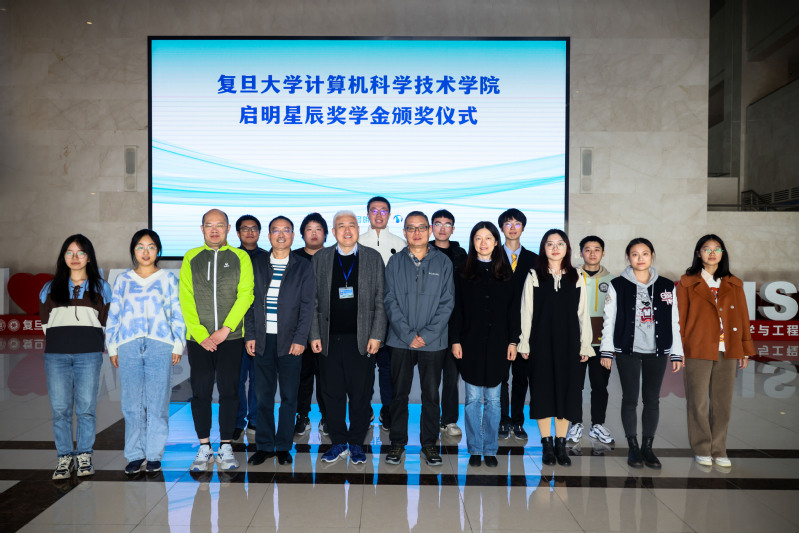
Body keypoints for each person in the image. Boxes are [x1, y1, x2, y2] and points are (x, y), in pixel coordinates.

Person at [309, 211, 387, 464]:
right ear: (333, 232)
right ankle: (338, 442)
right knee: (331, 394)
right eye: (341, 226)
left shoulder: (372, 258)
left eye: (351, 225)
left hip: (362, 340)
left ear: (358, 229)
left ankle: (356, 443)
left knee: (360, 394)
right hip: (328, 339)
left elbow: (381, 300)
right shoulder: (321, 258)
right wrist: (314, 334)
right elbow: (312, 301)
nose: (346, 230)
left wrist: (376, 335)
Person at [180, 209, 254, 472]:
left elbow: (246, 294)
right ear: (202, 229)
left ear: (228, 228)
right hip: (199, 340)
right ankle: (204, 447)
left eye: (219, 225)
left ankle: (225, 445)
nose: (214, 229)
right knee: (200, 391)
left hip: (230, 338)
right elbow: (185, 297)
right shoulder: (191, 257)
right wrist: (201, 334)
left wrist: (226, 329)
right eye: (209, 225)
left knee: (229, 391)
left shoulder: (240, 257)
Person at [105, 229, 185, 474]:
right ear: (133, 251)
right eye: (140, 247)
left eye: (151, 247)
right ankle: (134, 454)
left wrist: (178, 344)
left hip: (160, 344)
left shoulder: (168, 279)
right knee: (131, 403)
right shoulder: (123, 280)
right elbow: (114, 314)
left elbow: (177, 312)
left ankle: (153, 454)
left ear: (158, 251)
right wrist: (112, 346)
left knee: (158, 402)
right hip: (128, 344)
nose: (146, 251)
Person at [600, 238, 683, 469]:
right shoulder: (618, 284)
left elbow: (674, 321)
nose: (640, 258)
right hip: (627, 350)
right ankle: (633, 446)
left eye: (645, 253)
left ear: (652, 256)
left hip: (657, 351)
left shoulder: (666, 285)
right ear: (628, 257)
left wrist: (677, 352)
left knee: (652, 399)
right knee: (630, 398)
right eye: (635, 254)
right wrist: (606, 351)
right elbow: (609, 319)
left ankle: (648, 447)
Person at [384, 211, 454, 466]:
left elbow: (447, 303)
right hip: (400, 340)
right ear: (404, 232)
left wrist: (426, 335)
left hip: (433, 342)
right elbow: (389, 300)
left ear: (429, 231)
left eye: (421, 227)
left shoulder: (443, 262)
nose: (416, 233)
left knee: (431, 396)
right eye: (411, 228)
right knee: (399, 395)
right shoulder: (395, 262)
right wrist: (407, 334)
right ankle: (397, 443)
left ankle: (429, 444)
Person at [518, 229, 594, 467]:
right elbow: (526, 311)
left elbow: (583, 313)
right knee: (542, 392)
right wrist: (524, 341)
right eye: (550, 244)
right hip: (540, 343)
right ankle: (547, 445)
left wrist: (585, 344)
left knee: (566, 392)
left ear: (567, 248)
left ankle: (561, 445)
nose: (555, 248)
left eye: (560, 243)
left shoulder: (577, 275)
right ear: (544, 248)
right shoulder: (534, 275)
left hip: (569, 343)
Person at [677, 234, 754, 468]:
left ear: (723, 253)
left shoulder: (734, 283)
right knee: (697, 402)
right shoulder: (687, 283)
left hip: (727, 349)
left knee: (722, 403)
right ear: (698, 253)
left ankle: (719, 448)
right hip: (697, 348)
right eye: (707, 249)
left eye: (717, 249)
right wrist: (679, 349)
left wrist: (744, 349)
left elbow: (742, 317)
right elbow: (679, 319)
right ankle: (702, 447)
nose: (712, 253)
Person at [39, 234, 112, 480]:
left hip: (89, 355)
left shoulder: (101, 287)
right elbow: (46, 324)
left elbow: (105, 321)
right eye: (69, 252)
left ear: (89, 257)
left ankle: (84, 455)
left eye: (81, 252)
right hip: (56, 356)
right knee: (60, 409)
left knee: (86, 409)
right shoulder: (49, 288)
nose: (75, 257)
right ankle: (64, 457)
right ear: (63, 257)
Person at [244, 216, 315, 466]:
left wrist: (300, 339)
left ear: (293, 236)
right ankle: (264, 445)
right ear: (269, 236)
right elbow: (249, 303)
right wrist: (250, 335)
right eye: (276, 230)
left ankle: (284, 445)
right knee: (263, 396)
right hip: (262, 340)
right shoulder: (257, 264)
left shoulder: (302, 266)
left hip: (290, 342)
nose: (281, 235)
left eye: (286, 230)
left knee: (289, 397)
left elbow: (307, 306)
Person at [450, 222, 520, 467]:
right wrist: (455, 340)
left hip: (499, 344)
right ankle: (474, 449)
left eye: (488, 238)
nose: (483, 243)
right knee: (472, 399)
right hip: (470, 343)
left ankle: (490, 448)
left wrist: (513, 341)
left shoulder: (506, 273)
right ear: (472, 242)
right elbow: (456, 309)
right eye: (478, 238)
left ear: (496, 241)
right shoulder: (462, 271)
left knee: (493, 400)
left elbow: (513, 310)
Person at [359, 196, 406, 430]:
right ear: (367, 214)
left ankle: (387, 409)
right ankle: (364, 407)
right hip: (362, 316)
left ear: (390, 214)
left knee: (388, 368)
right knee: (364, 367)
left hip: (392, 317)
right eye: (374, 210)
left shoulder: (400, 243)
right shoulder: (357, 241)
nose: (379, 215)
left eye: (383, 211)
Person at [566, 236, 616, 445]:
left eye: (597, 249)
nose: (592, 253)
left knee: (600, 385)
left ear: (603, 253)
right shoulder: (571, 277)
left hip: (601, 343)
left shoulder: (613, 280)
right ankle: (576, 423)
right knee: (574, 385)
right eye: (587, 249)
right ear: (580, 253)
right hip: (576, 341)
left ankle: (597, 425)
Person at [497, 208, 538, 440]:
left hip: (526, 328)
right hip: (500, 327)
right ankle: (503, 420)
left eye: (517, 223)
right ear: (501, 228)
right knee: (501, 377)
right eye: (508, 223)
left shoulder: (535, 259)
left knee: (522, 377)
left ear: (523, 227)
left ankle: (517, 421)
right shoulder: (492, 255)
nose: (512, 228)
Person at [429, 208, 467, 438]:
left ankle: (449, 420)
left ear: (453, 229)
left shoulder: (461, 255)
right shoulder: (423, 251)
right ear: (431, 227)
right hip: (430, 324)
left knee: (452, 377)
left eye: (447, 224)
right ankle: (431, 419)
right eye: (438, 223)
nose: (442, 228)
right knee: (430, 378)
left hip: (454, 325)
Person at [293, 212, 329, 436]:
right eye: (309, 229)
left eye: (318, 229)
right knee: (302, 376)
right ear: (302, 234)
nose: (314, 234)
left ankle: (327, 416)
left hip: (327, 327)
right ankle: (302, 415)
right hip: (299, 327)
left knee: (327, 377)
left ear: (325, 233)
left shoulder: (334, 255)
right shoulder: (293, 257)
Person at [232, 214, 267, 443]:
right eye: (245, 228)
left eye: (254, 228)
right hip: (236, 327)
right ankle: (237, 421)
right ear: (237, 233)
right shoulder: (231, 257)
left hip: (262, 326)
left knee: (258, 378)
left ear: (259, 232)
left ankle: (255, 420)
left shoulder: (267, 257)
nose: (250, 232)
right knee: (237, 378)